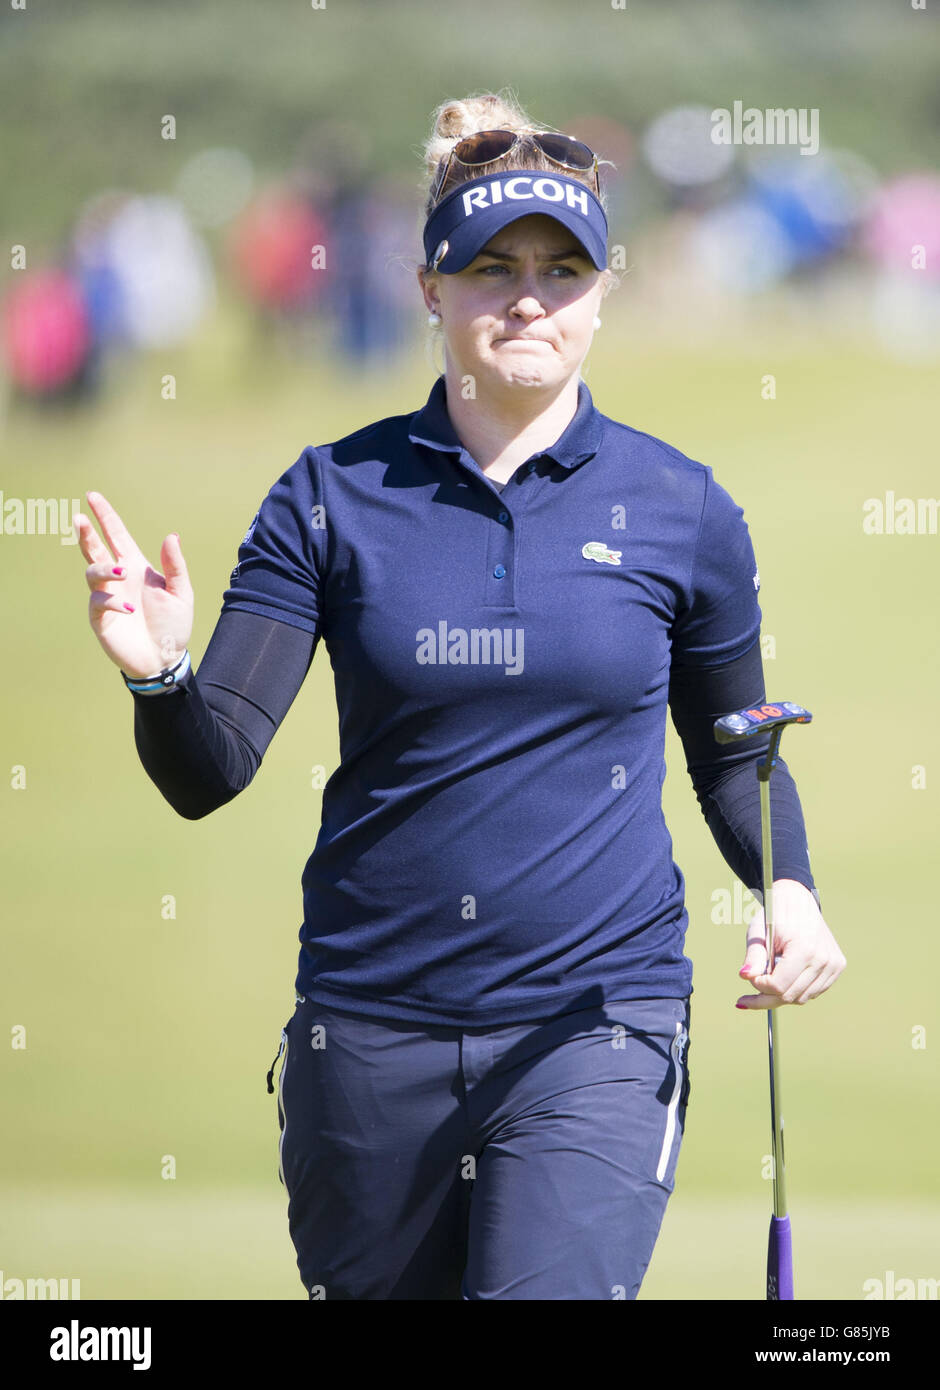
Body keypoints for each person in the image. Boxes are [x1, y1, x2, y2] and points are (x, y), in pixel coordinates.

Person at [73, 90, 846, 1301]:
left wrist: (787, 889)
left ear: (602, 292)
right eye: (490, 267)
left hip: (595, 1022)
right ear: (428, 289)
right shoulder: (329, 496)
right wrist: (162, 672)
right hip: (367, 1030)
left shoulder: (684, 508)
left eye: (560, 268)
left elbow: (734, 751)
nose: (527, 297)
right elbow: (207, 772)